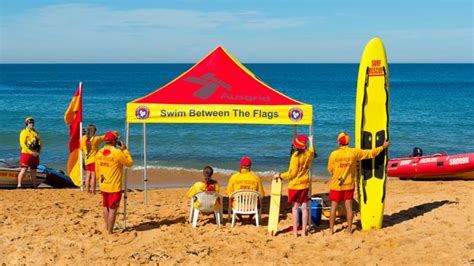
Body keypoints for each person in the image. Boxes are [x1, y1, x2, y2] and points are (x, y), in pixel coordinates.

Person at [327, 132, 390, 234]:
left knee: (333, 207)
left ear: (339, 142)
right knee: (349, 208)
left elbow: (330, 170)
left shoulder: (333, 154)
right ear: (348, 142)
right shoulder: (353, 152)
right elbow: (370, 153)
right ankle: (349, 229)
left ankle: (331, 230)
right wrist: (382, 147)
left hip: (336, 185)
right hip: (349, 185)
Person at [274, 134, 315, 237]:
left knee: (295, 208)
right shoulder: (308, 154)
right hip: (305, 184)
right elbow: (312, 151)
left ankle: (296, 232)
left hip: (295, 185)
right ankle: (304, 233)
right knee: (305, 208)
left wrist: (280, 175)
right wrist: (311, 141)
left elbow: (292, 173)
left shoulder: (295, 156)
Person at [95, 131, 133, 234]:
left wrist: (98, 180)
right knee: (113, 208)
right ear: (115, 141)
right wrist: (125, 150)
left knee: (105, 206)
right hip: (114, 186)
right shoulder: (117, 152)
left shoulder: (99, 152)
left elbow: (97, 169)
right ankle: (110, 231)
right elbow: (129, 163)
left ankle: (108, 227)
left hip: (103, 184)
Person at [17, 117, 42, 188]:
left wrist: (38, 152)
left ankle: (34, 185)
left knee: (34, 171)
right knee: (24, 169)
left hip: (35, 154)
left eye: (32, 123)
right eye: (30, 123)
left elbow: (40, 143)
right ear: (27, 124)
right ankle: (19, 185)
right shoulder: (23, 132)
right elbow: (22, 144)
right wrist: (31, 152)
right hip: (26, 154)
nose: (31, 124)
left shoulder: (36, 133)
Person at [80, 124, 104, 194]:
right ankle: (93, 191)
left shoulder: (84, 138)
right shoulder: (96, 139)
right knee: (93, 176)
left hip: (87, 160)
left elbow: (81, 148)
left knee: (88, 175)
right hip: (94, 160)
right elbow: (104, 137)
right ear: (94, 131)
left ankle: (87, 190)